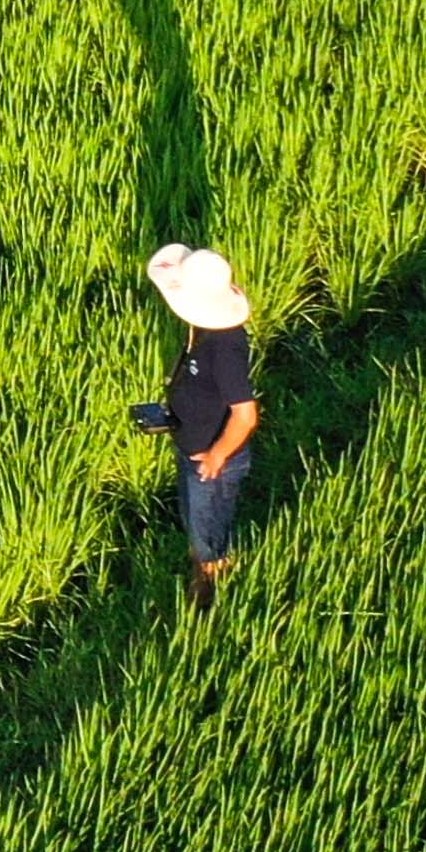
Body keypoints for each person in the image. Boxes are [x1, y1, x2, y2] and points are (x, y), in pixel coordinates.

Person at [154, 241, 257, 610]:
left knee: (207, 536)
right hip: (191, 448)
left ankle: (209, 597)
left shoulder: (225, 347)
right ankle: (208, 569)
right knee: (194, 523)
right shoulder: (202, 331)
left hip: (212, 463)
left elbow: (245, 414)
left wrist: (215, 457)